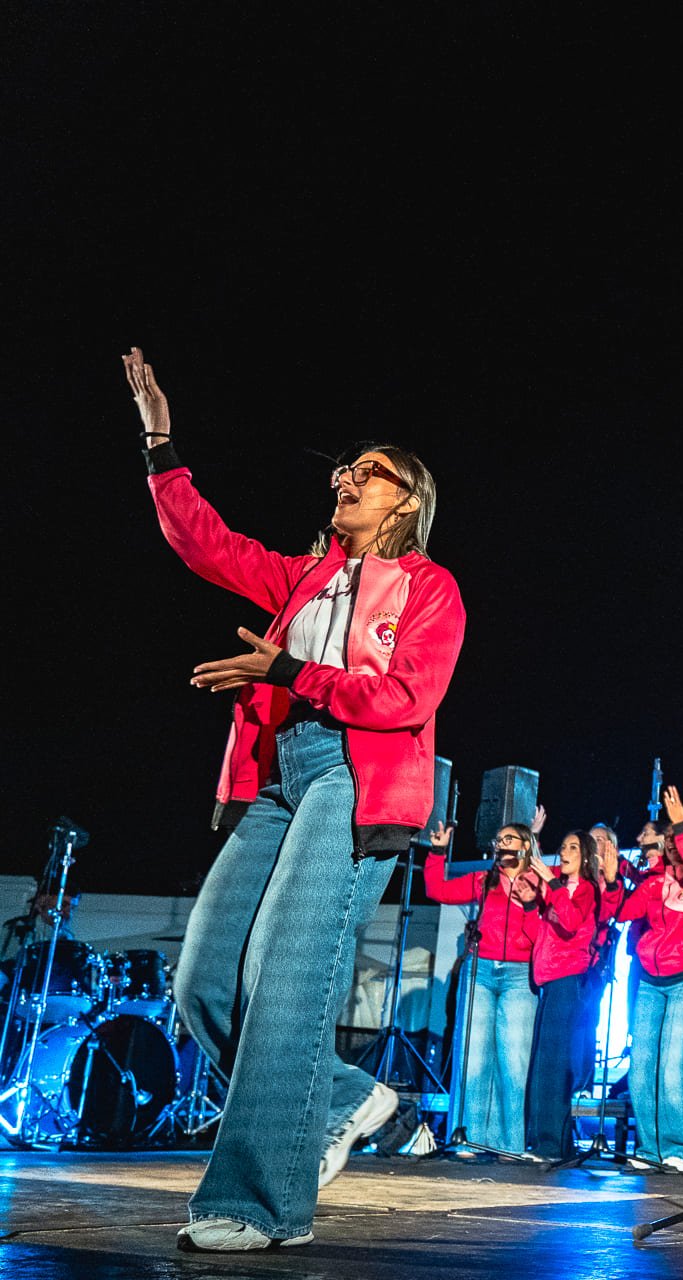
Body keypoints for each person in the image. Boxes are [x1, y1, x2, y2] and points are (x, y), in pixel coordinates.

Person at [127, 348, 466, 1250]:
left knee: (284, 977)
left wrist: (291, 670)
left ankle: (258, 1205)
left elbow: (405, 701)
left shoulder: (429, 589)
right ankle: (353, 1099)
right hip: (278, 776)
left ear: (406, 500)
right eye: (346, 472)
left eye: (372, 474)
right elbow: (207, 544)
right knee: (203, 983)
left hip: (356, 780)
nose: (349, 479)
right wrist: (162, 444)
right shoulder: (306, 578)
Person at [617, 786, 683, 1171]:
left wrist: (680, 826)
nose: (674, 851)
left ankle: (681, 1149)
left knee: (675, 1064)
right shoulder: (655, 883)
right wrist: (615, 874)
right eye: (669, 846)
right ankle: (650, 1148)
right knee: (643, 1064)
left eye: (679, 845)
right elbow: (624, 912)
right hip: (649, 979)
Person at [425, 822, 541, 1154]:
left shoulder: (539, 881)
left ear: (525, 845)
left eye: (509, 838)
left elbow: (542, 933)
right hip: (481, 971)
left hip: (520, 975)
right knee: (474, 1058)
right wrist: (437, 852)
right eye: (499, 837)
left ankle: (509, 1145)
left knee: (512, 1061)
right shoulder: (483, 880)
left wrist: (531, 903)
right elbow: (438, 890)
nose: (501, 843)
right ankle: (470, 1139)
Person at [520, 830, 606, 1160]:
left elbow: (570, 923)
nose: (565, 852)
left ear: (585, 855)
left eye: (572, 847)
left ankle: (550, 1144)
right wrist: (531, 904)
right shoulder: (555, 890)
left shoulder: (585, 890)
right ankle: (549, 1142)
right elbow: (539, 931)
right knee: (543, 1064)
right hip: (548, 979)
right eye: (563, 846)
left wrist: (554, 888)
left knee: (554, 1065)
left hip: (569, 978)